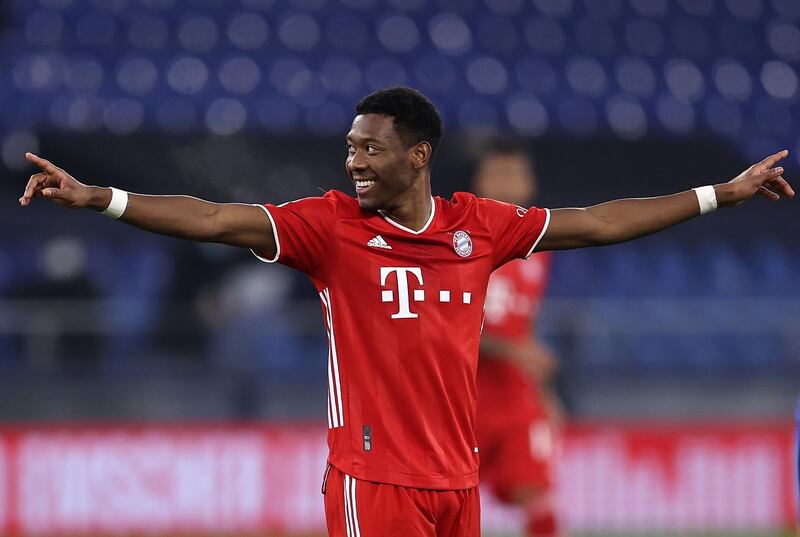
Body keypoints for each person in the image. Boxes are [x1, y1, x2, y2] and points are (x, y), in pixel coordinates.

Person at [18, 87, 793, 536]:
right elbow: (217, 219)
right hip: (373, 478)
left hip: (456, 481)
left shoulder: (480, 226)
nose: (353, 159)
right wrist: (102, 199)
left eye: (370, 148)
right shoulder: (328, 228)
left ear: (417, 155)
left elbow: (596, 221)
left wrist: (717, 194)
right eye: (350, 147)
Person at [472, 140, 564, 537]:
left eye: (515, 176)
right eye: (499, 175)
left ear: (530, 185)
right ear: (480, 183)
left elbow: (521, 326)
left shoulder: (538, 252)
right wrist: (513, 350)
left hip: (513, 396)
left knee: (538, 496)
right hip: (460, 396)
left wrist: (545, 394)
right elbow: (441, 329)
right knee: (445, 503)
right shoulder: (459, 244)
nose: (508, 186)